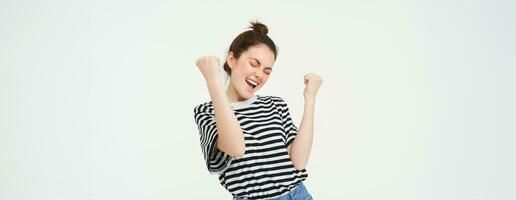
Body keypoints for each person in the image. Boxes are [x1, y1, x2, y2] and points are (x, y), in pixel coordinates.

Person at [193, 20, 322, 200]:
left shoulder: (275, 105)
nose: (260, 75)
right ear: (231, 59)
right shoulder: (207, 112)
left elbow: (299, 162)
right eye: (253, 64)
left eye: (267, 71)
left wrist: (310, 98)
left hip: (298, 195)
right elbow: (236, 147)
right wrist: (213, 81)